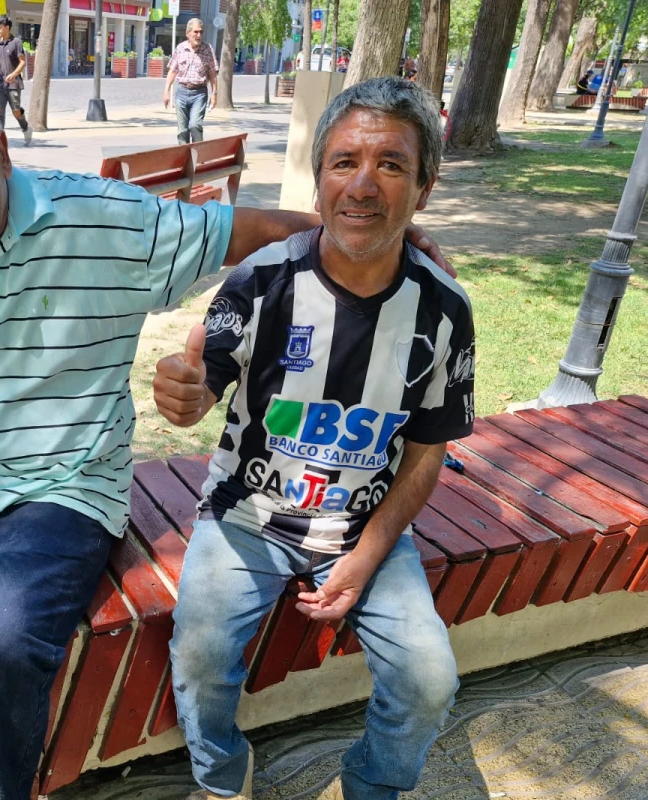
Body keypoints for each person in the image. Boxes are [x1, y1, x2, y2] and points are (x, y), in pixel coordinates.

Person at [0, 70, 449, 800]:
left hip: (62, 490)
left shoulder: (105, 218)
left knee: (3, 643)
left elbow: (241, 231)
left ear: (1, 150)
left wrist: (376, 232)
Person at [154, 77, 473, 800]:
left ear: (423, 187)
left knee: (429, 680)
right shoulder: (263, 279)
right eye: (344, 162)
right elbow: (204, 382)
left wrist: (364, 558)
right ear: (320, 176)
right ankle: (223, 775)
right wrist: (186, 394)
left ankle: (372, 786)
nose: (363, 184)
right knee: (200, 657)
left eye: (390, 164)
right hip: (246, 517)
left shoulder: (444, 309)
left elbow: (427, 452)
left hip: (366, 528)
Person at [164, 18, 217, 144]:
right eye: (196, 32)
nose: (199, 35)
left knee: (195, 125)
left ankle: (198, 156)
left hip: (199, 93)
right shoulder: (180, 48)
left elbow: (212, 74)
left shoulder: (208, 50)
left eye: (201, 32)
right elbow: (172, 71)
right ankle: (185, 160)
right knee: (182, 131)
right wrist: (166, 91)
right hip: (181, 92)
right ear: (188, 33)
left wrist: (214, 93)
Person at [0, 14, 31, 145]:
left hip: (14, 84)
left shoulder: (16, 43)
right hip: (0, 84)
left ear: (7, 27)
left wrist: (14, 74)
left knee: (16, 111)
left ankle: (25, 128)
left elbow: (23, 62)